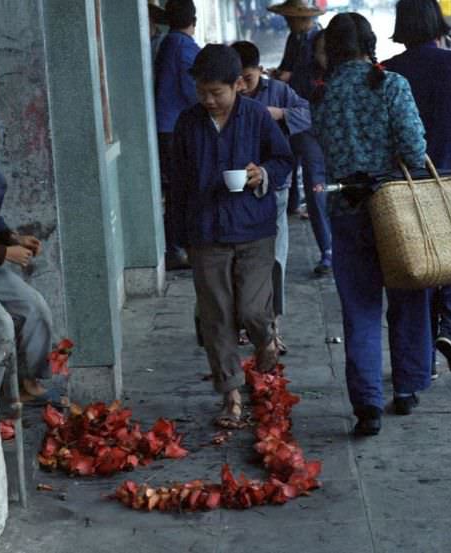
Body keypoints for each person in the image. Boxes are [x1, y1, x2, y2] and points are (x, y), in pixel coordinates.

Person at [311, 13, 430, 436]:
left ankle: (366, 406)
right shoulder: (391, 85)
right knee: (408, 296)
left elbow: (325, 148)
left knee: (359, 308)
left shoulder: (321, 96)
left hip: (346, 210)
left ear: (332, 49)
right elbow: (415, 151)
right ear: (370, 43)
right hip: (395, 209)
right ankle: (408, 387)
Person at [171, 44, 294, 428]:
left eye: (216, 93)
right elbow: (176, 182)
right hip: (205, 232)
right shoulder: (188, 123)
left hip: (254, 228)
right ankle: (231, 396)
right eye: (202, 92)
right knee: (217, 318)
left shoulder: (257, 117)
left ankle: (266, 339)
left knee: (254, 311)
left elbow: (283, 159)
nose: (208, 100)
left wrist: (263, 174)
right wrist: (178, 235)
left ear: (237, 85)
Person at [384, 0, 451, 380]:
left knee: (422, 263)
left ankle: (420, 363)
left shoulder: (390, 71)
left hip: (410, 181)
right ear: (437, 23)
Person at [0, 98, 62, 407]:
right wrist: (6, 254)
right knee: (1, 327)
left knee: (35, 308)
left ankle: (28, 382)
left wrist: (14, 237)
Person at [231, 39, 311, 353]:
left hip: (274, 189)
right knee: (237, 263)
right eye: (236, 80)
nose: (241, 86)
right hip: (237, 192)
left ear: (259, 72)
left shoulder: (277, 91)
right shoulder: (225, 97)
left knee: (274, 260)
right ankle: (242, 324)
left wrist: (280, 114)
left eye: (247, 79)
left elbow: (308, 114)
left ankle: (273, 328)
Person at [268, 0, 333, 275]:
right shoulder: (294, 40)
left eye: (292, 18)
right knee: (313, 183)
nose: (289, 22)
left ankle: (332, 249)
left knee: (318, 184)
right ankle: (328, 250)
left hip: (313, 124)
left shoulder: (317, 42)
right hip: (301, 123)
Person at [154, 0, 201, 270]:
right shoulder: (184, 47)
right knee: (179, 191)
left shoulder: (167, 43)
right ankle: (176, 246)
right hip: (173, 128)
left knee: (174, 191)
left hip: (166, 127)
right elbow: (193, 91)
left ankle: (176, 245)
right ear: (193, 20)